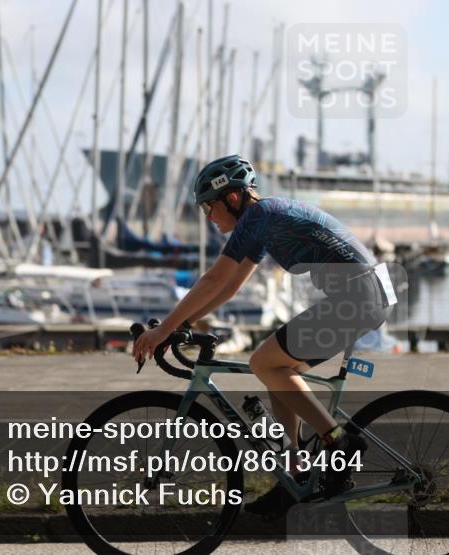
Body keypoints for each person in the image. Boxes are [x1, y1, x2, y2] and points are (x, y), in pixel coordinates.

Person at [133, 154, 397, 518]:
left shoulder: (259, 216)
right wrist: (180, 325)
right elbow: (228, 289)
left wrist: (163, 329)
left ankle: (340, 441)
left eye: (209, 207)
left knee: (264, 362)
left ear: (233, 198)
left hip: (360, 295)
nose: (208, 217)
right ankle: (295, 476)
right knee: (278, 371)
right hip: (368, 293)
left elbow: (212, 280)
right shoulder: (262, 219)